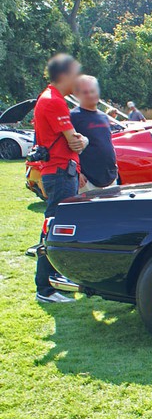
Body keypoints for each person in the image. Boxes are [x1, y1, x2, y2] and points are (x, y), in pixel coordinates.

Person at [33, 54, 88, 303]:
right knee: (54, 228)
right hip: (59, 171)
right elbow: (75, 142)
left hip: (60, 171)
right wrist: (84, 140)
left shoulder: (49, 98)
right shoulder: (54, 101)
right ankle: (45, 287)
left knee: (56, 226)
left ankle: (56, 278)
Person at [70, 75, 118, 194]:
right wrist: (78, 173)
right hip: (87, 181)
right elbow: (67, 146)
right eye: (86, 92)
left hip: (110, 177)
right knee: (90, 213)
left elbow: (107, 142)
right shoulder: (73, 116)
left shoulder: (103, 116)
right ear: (78, 95)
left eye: (93, 91)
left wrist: (115, 166)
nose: (90, 95)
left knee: (113, 212)